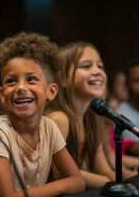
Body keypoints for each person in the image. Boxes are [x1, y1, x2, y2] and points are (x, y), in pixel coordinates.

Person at [0, 32, 85, 197]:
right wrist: (60, 186)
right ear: (2, 95)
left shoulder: (49, 127)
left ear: (51, 91)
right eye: (11, 81)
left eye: (31, 79)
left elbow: (78, 181)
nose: (20, 87)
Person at [45, 41, 116, 189]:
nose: (97, 71)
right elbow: (58, 175)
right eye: (86, 66)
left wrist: (127, 184)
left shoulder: (92, 118)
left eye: (100, 66)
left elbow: (104, 170)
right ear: (63, 78)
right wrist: (107, 182)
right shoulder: (59, 119)